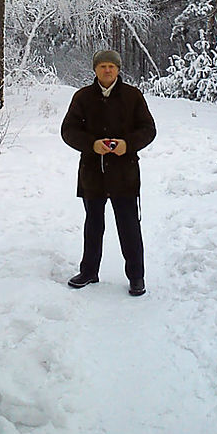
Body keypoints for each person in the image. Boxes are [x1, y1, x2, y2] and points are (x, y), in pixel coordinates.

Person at [61, 49, 156, 296]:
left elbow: (148, 129)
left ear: (118, 69)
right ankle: (89, 271)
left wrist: (128, 144)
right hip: (92, 173)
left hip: (124, 173)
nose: (107, 70)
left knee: (129, 226)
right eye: (102, 66)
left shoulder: (133, 96)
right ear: (95, 69)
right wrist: (91, 144)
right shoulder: (82, 97)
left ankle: (136, 276)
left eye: (111, 66)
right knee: (93, 225)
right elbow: (68, 131)